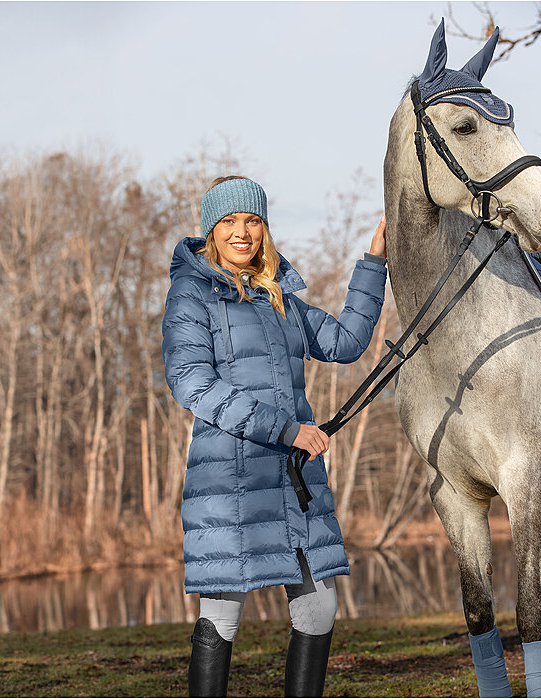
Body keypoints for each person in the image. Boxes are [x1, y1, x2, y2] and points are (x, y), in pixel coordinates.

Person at [161, 176, 387, 697]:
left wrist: (374, 263)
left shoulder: (277, 296)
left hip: (293, 480)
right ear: (211, 231)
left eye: (252, 221)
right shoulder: (192, 293)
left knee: (319, 607)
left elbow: (348, 342)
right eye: (229, 222)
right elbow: (193, 383)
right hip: (229, 478)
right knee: (223, 614)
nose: (242, 232)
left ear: (264, 228)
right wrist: (286, 430)